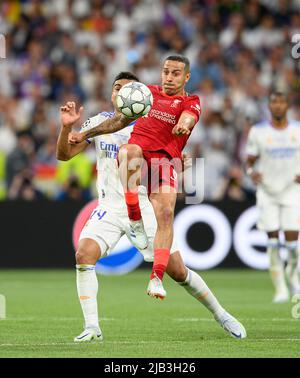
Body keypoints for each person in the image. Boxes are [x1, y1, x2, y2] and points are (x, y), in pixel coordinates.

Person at [57, 71, 246, 342]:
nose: (121, 92)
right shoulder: (98, 123)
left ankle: (221, 314)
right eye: (117, 88)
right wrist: (66, 128)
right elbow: (63, 156)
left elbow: (170, 163)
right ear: (112, 95)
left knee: (178, 271)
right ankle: (92, 327)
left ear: (142, 96)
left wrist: (176, 164)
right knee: (83, 255)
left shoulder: (151, 126)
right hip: (110, 205)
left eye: (128, 88)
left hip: (145, 205)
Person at [70, 56, 202, 300]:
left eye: (175, 73)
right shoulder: (147, 95)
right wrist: (83, 134)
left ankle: (158, 278)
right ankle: (134, 217)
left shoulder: (191, 101)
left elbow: (189, 117)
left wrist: (184, 125)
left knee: (167, 220)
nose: (169, 77)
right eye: (165, 72)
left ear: (186, 77)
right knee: (129, 151)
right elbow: (119, 120)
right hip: (135, 165)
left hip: (163, 165)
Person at [246, 91, 300, 303]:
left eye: (281, 102)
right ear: (269, 106)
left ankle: (294, 279)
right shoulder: (258, 132)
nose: (278, 106)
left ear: (288, 105)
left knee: (292, 245)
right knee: (271, 243)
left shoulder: (297, 129)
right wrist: (251, 173)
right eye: (274, 102)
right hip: (267, 192)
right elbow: (249, 161)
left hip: (292, 191)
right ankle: (280, 289)